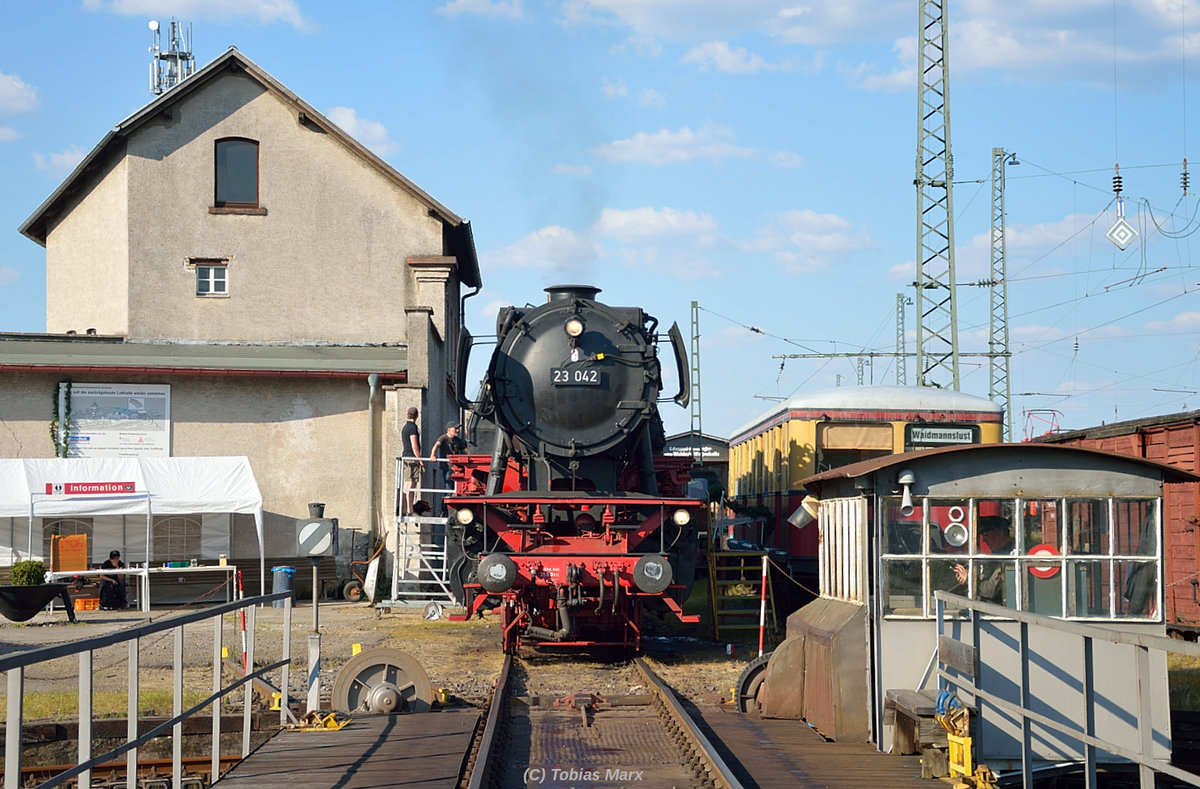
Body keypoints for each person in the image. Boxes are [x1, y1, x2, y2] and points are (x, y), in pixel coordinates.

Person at [953, 516, 1014, 605]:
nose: (984, 540)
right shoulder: (997, 555)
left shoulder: (1009, 556)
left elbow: (990, 591)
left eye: (985, 534)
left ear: (997, 533)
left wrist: (969, 580)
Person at [430, 420, 465, 508]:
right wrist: (432, 455)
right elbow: (436, 445)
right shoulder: (443, 438)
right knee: (449, 489)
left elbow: (465, 450)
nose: (457, 430)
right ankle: (444, 510)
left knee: (456, 490)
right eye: (455, 428)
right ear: (449, 429)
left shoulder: (458, 440)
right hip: (447, 467)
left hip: (457, 468)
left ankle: (449, 510)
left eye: (457, 428)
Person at [401, 406, 424, 515]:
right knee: (411, 484)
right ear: (417, 416)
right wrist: (420, 460)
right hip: (412, 458)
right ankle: (409, 509)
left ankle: (405, 509)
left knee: (407, 485)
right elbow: (414, 446)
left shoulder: (405, 427)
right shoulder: (412, 428)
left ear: (407, 415)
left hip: (406, 457)